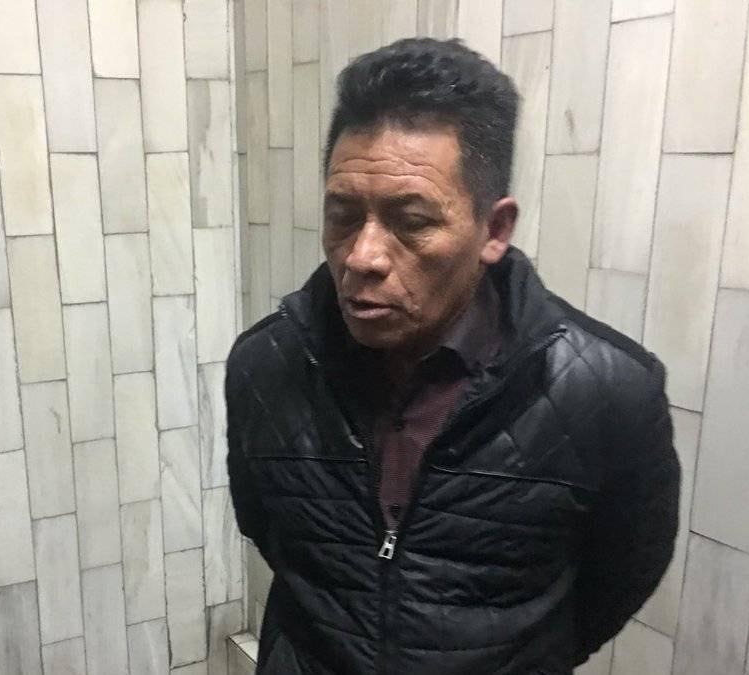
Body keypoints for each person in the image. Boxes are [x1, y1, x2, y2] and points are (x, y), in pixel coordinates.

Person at [225, 38, 680, 675]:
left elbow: (620, 575)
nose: (363, 256)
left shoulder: (608, 392)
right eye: (343, 215)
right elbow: (269, 532)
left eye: (411, 221)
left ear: (494, 229)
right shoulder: (265, 366)